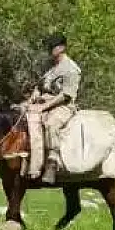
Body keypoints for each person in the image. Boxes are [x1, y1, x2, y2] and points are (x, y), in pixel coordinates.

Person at [26, 33, 81, 184]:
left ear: (62, 47)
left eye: (53, 46)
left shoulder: (71, 68)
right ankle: (31, 162)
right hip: (44, 102)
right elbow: (40, 86)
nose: (50, 49)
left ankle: (52, 160)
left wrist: (44, 106)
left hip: (63, 105)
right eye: (49, 46)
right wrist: (30, 100)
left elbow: (66, 95)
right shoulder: (49, 67)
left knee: (51, 124)